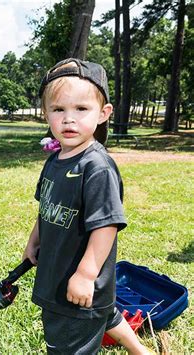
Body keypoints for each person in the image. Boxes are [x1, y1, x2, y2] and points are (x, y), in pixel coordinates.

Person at [22, 58, 151, 354]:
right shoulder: (55, 160)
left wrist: (85, 275)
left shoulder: (97, 167)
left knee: (70, 340)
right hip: (58, 272)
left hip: (79, 280)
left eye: (81, 109)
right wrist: (34, 240)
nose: (69, 119)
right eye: (59, 109)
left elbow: (106, 224)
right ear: (46, 114)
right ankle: (141, 351)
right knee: (103, 315)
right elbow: (46, 206)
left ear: (103, 113)